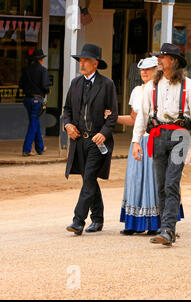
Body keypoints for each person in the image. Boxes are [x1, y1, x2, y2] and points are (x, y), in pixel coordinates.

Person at [132, 43, 191, 246]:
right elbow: (142, 116)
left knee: (172, 182)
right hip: (157, 135)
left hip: (180, 135)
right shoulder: (150, 87)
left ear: (172, 60)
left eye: (162, 57)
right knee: (161, 184)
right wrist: (136, 141)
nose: (159, 61)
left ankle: (168, 229)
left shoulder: (189, 86)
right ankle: (166, 227)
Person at [110, 57, 184, 235]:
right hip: (140, 139)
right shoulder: (137, 91)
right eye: (142, 70)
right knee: (136, 179)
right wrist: (114, 118)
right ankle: (134, 223)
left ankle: (159, 223)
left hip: (156, 138)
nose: (144, 72)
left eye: (149, 69)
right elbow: (135, 119)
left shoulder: (162, 88)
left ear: (157, 70)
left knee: (157, 181)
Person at [63, 43, 118, 235]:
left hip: (97, 141)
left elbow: (113, 115)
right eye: (81, 60)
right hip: (79, 140)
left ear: (95, 64)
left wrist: (104, 132)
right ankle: (98, 218)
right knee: (89, 180)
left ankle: (78, 221)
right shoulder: (75, 83)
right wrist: (68, 125)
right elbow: (67, 110)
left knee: (88, 178)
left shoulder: (107, 84)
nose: (82, 63)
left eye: (86, 60)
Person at [19, 49, 50, 156]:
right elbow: (45, 86)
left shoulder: (26, 70)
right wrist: (47, 91)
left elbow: (21, 85)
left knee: (34, 122)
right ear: (41, 60)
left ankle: (40, 148)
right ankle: (26, 149)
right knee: (33, 123)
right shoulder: (43, 70)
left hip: (27, 99)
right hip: (37, 100)